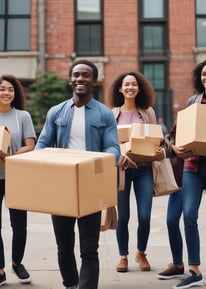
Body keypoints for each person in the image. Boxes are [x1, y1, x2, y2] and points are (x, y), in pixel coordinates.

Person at [35, 59, 122, 289]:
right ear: (70, 79)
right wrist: (42, 161)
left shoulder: (104, 114)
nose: (80, 79)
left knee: (89, 248)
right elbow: (42, 143)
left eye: (85, 75)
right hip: (61, 185)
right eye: (76, 75)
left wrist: (103, 161)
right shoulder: (57, 111)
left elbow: (113, 147)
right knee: (64, 246)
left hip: (89, 186)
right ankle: (71, 283)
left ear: (94, 80)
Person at [158, 60, 206, 289]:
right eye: (204, 74)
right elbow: (173, 134)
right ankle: (194, 269)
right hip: (193, 167)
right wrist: (174, 148)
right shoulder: (192, 102)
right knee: (189, 216)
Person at [110, 71, 165, 273]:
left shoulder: (147, 112)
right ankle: (123, 256)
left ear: (139, 88)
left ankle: (141, 252)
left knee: (144, 215)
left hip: (143, 170)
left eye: (133, 84)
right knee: (123, 216)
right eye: (126, 84)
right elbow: (108, 142)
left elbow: (158, 138)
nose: (130, 87)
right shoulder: (113, 113)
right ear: (120, 88)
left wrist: (159, 150)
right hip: (122, 170)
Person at [0, 75, 36, 286]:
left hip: (16, 176)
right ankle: (1, 268)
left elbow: (30, 144)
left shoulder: (22, 116)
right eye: (2, 89)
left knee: (19, 225)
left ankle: (17, 263)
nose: (6, 93)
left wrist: (10, 157)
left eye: (10, 89)